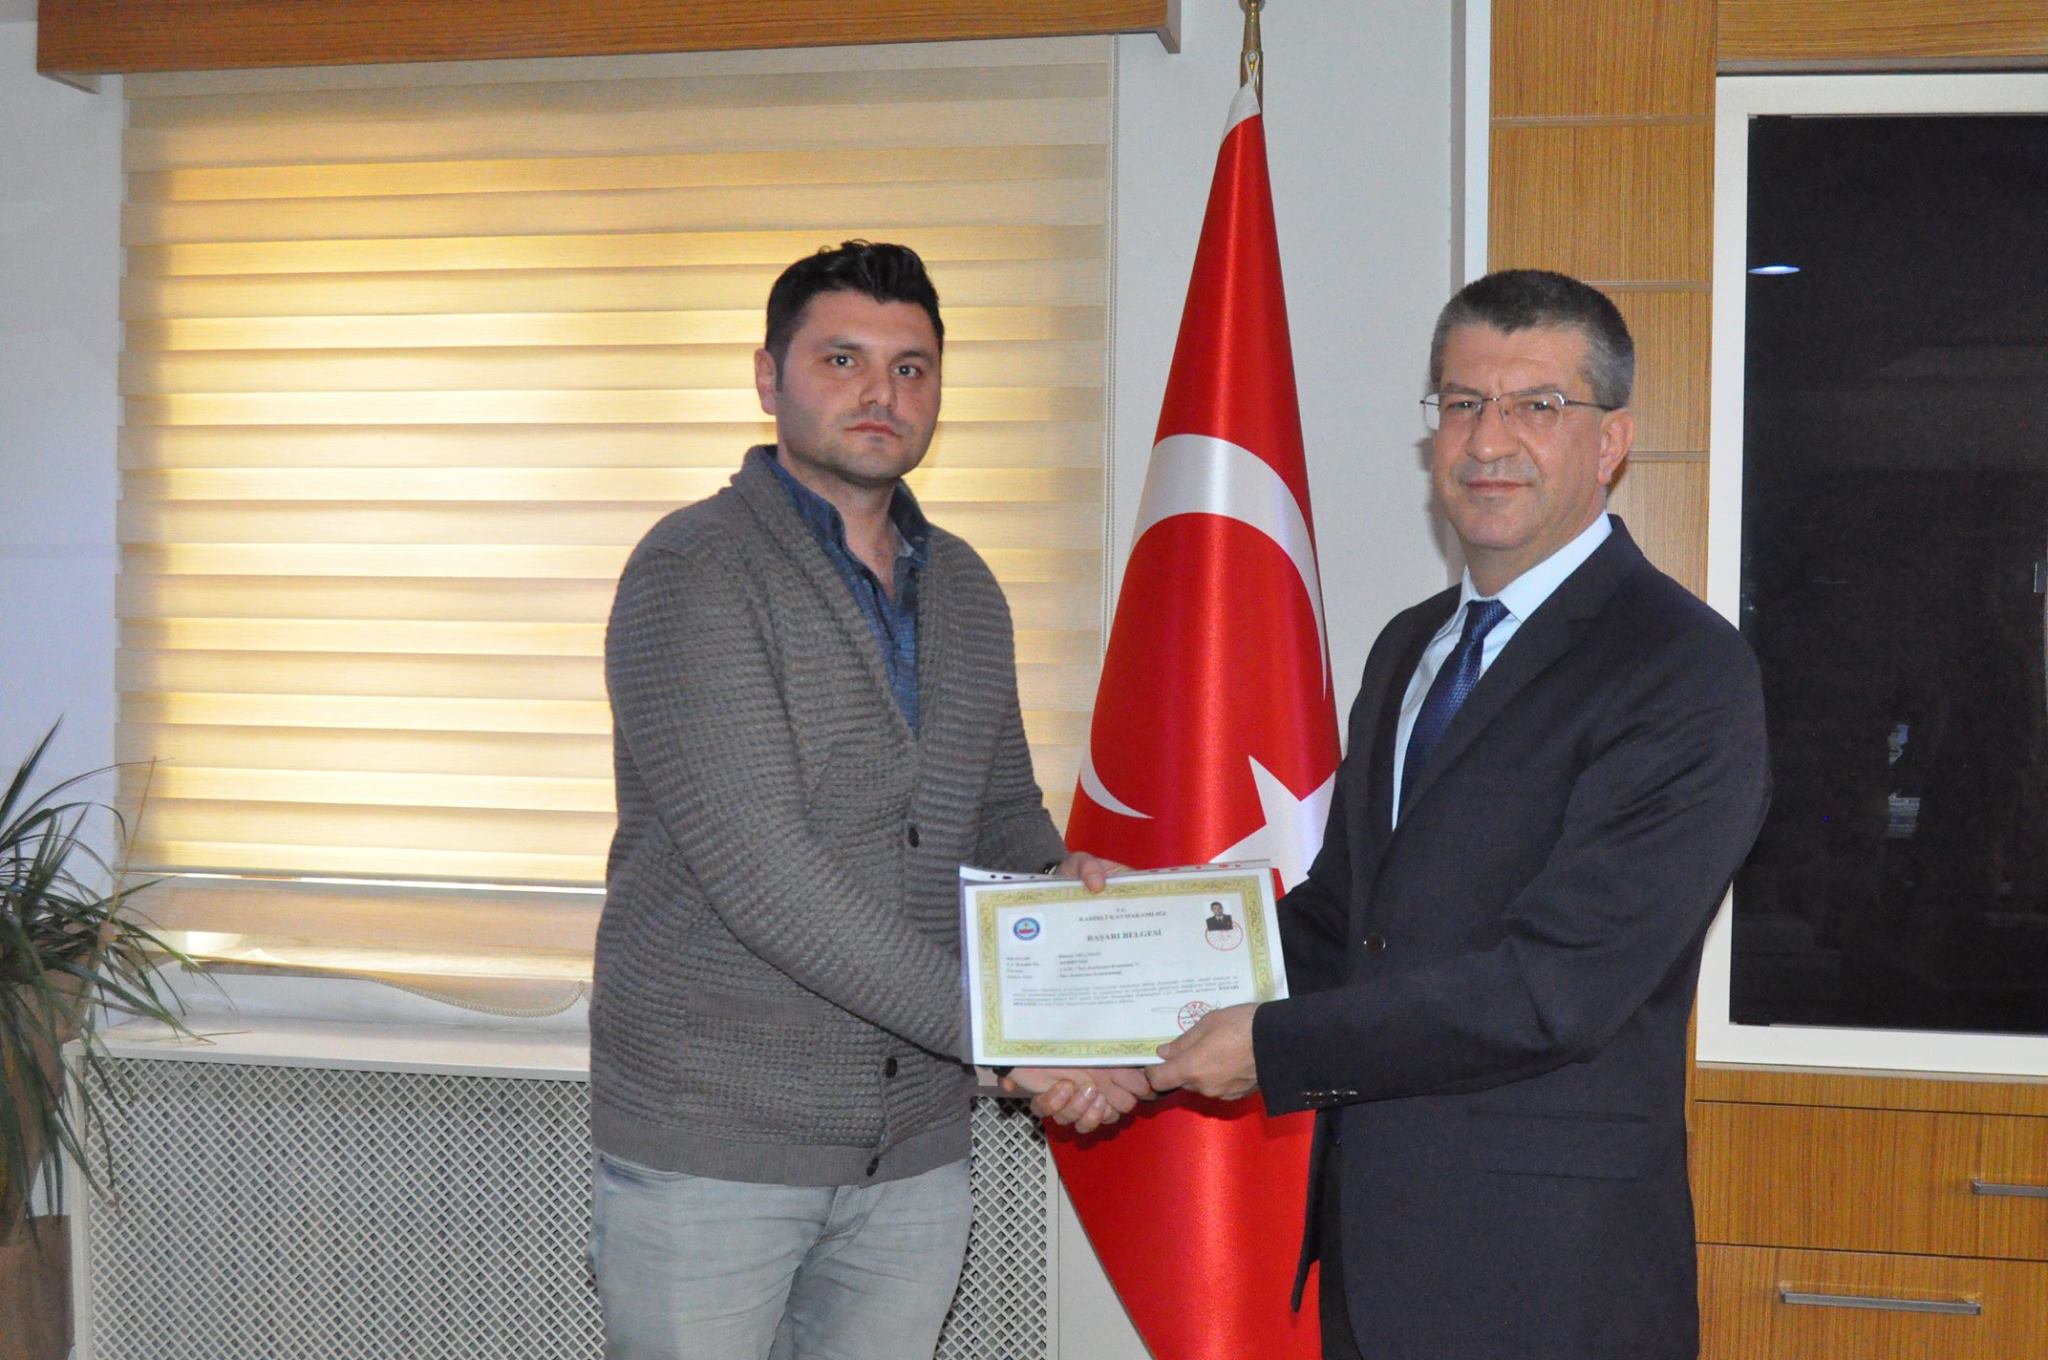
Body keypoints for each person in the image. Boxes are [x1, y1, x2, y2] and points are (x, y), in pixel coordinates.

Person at [1077, 270, 1770, 1359]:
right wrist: (1127, 978)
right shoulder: (1410, 646)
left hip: (1547, 1280)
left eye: (1537, 405)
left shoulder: (1683, 670)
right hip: (1372, 1259)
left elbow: (1555, 989)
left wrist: (1271, 1047)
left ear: (1610, 442)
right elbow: (1340, 920)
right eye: (1460, 403)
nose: (1488, 440)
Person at [591, 240, 1145, 1360]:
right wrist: (1015, 1046)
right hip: (717, 1146)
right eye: (841, 359)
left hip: (913, 1152)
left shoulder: (968, 588)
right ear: (769, 377)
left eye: (910, 368)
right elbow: (769, 883)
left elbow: (998, 817)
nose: (879, 392)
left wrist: (1068, 890)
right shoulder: (693, 571)